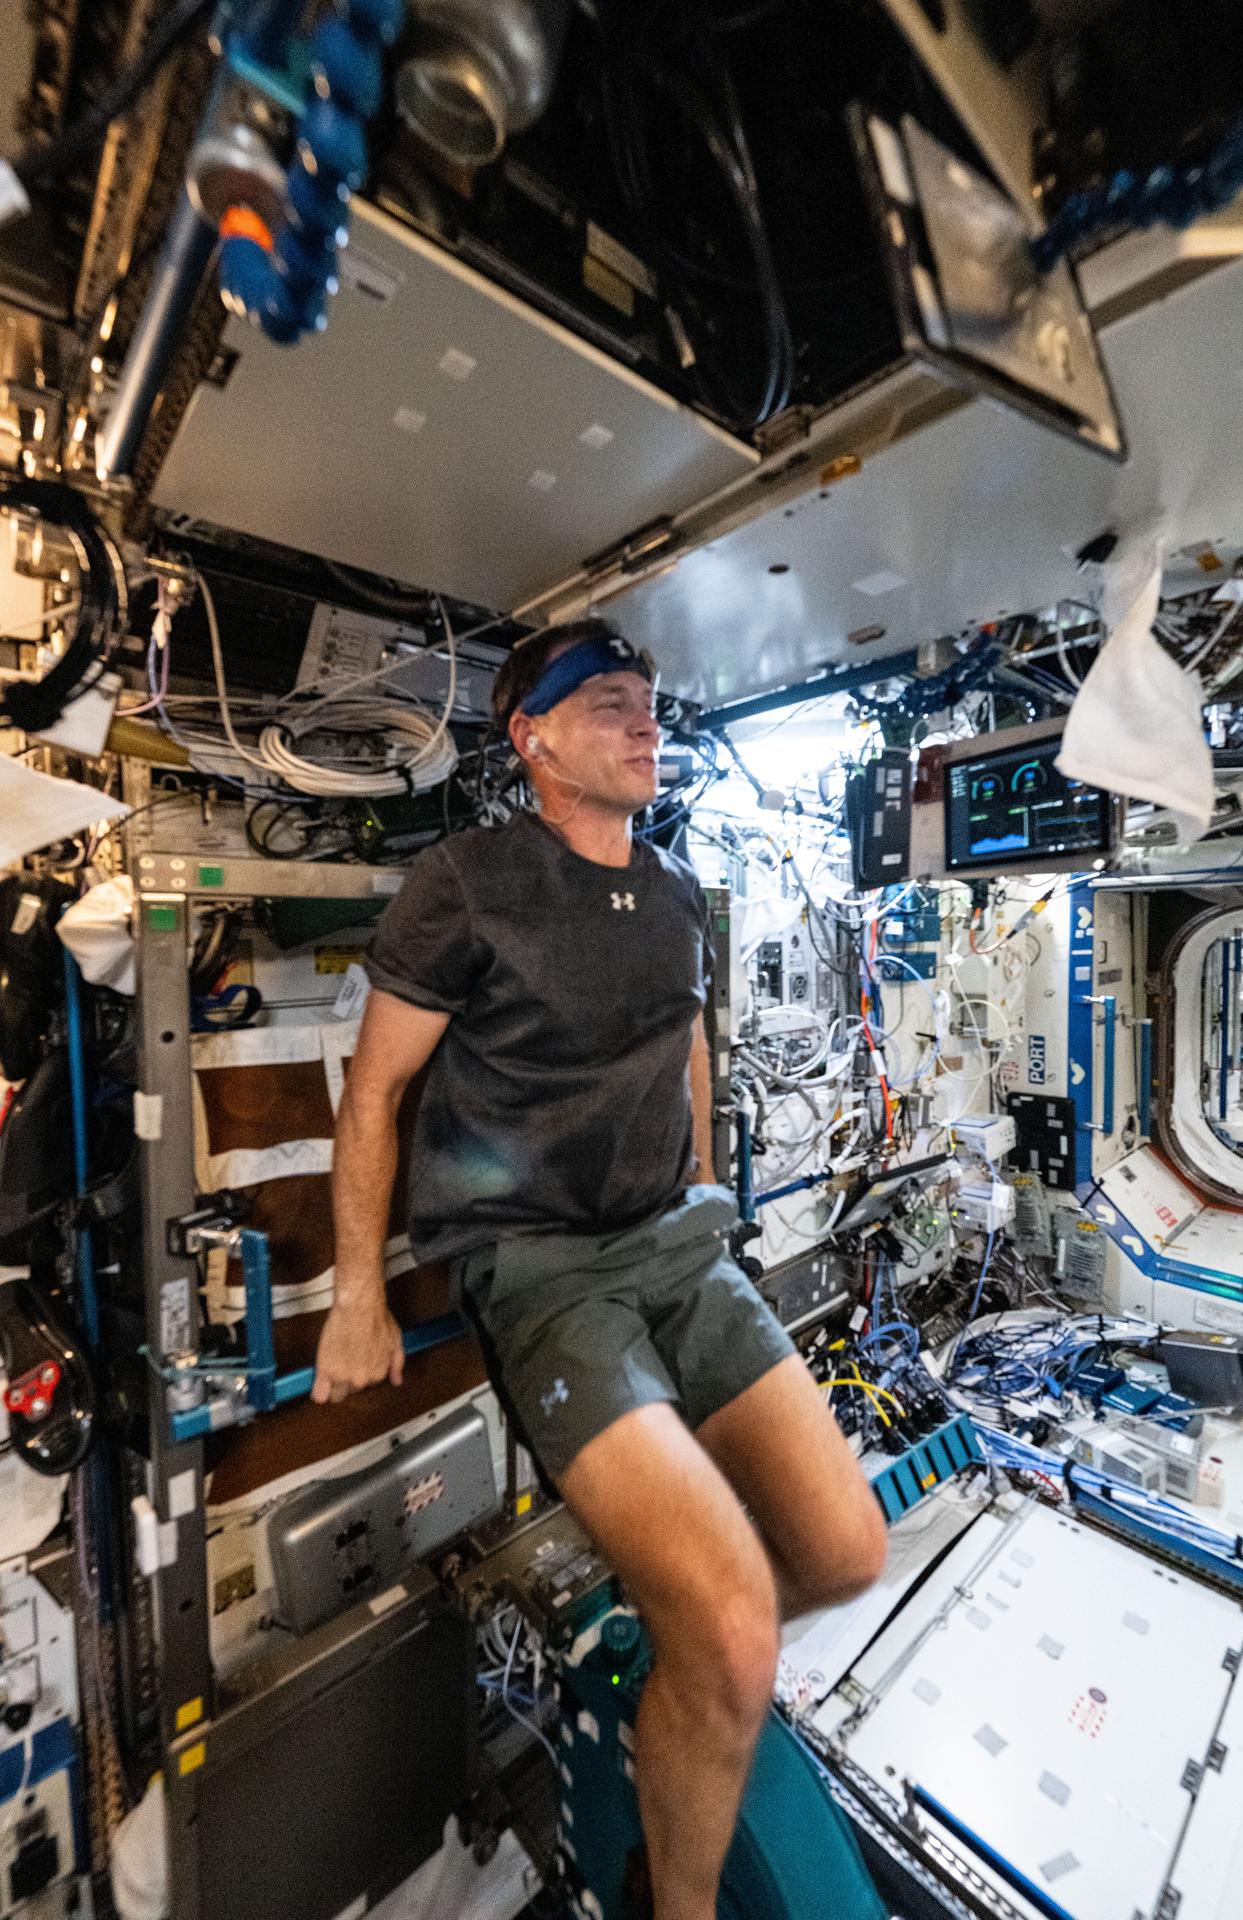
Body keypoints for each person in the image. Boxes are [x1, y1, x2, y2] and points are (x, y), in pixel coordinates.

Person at [311, 616, 887, 1920]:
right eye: (616, 703)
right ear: (536, 738)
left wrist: (699, 1182)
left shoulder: (675, 887)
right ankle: (667, 1897)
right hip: (545, 1272)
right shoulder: (469, 880)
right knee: (740, 1629)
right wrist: (356, 1293)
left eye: (652, 703)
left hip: (674, 1244)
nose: (649, 724)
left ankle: (691, 1665)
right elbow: (375, 1091)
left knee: (846, 1548)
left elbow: (681, 1037)